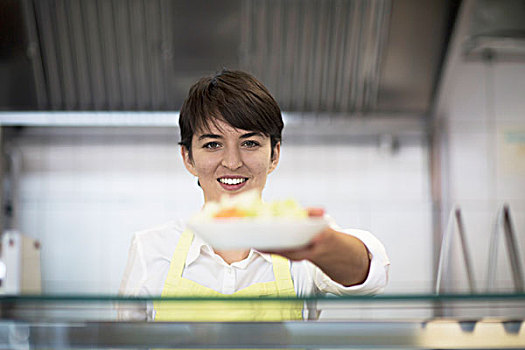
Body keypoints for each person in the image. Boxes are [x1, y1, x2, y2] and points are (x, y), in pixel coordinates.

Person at [119, 69, 390, 321]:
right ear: (188, 157)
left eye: (250, 143)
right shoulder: (151, 248)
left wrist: (319, 243)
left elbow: (370, 276)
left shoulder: (298, 232)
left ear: (275, 154)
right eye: (213, 144)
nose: (233, 162)